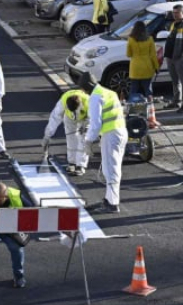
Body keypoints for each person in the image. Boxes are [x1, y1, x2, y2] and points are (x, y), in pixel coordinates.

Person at [81, 72, 128, 214]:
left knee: (110, 170)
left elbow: (96, 124)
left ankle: (112, 204)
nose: (84, 92)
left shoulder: (95, 97)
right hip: (120, 132)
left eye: (83, 89)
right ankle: (109, 199)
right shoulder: (108, 92)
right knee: (111, 168)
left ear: (87, 87)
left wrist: (88, 141)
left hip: (111, 134)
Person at [42, 89, 90, 176]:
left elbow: (94, 118)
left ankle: (80, 165)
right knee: (71, 139)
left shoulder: (88, 101)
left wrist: (86, 126)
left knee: (83, 139)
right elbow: (54, 118)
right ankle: (72, 163)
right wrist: (47, 136)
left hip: (85, 118)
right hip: (69, 118)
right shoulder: (63, 101)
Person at [163, 4, 183, 113]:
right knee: (175, 80)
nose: (175, 15)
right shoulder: (174, 24)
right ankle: (177, 101)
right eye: (174, 13)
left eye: (177, 13)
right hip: (171, 57)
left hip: (180, 58)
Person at [126, 21, 160, 100]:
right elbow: (153, 55)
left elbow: (128, 54)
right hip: (147, 67)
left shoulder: (131, 39)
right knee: (147, 89)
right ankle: (150, 106)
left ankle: (132, 105)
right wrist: (156, 67)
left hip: (135, 68)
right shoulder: (150, 39)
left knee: (133, 89)